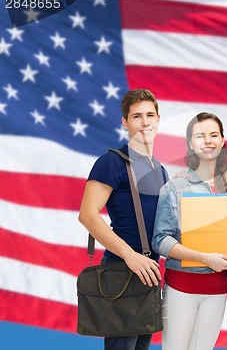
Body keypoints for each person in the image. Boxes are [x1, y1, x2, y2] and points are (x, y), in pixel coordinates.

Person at [78, 88, 169, 350]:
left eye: (150, 115)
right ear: (125, 122)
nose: (145, 122)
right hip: (122, 270)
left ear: (159, 119)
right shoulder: (112, 163)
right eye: (137, 116)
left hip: (149, 273)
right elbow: (87, 215)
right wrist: (130, 256)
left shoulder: (161, 170)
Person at [152, 112, 227, 350]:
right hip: (181, 289)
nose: (207, 141)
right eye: (200, 136)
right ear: (190, 143)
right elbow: (160, 240)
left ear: (222, 141)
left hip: (217, 290)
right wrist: (203, 258)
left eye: (213, 135)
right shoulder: (175, 187)